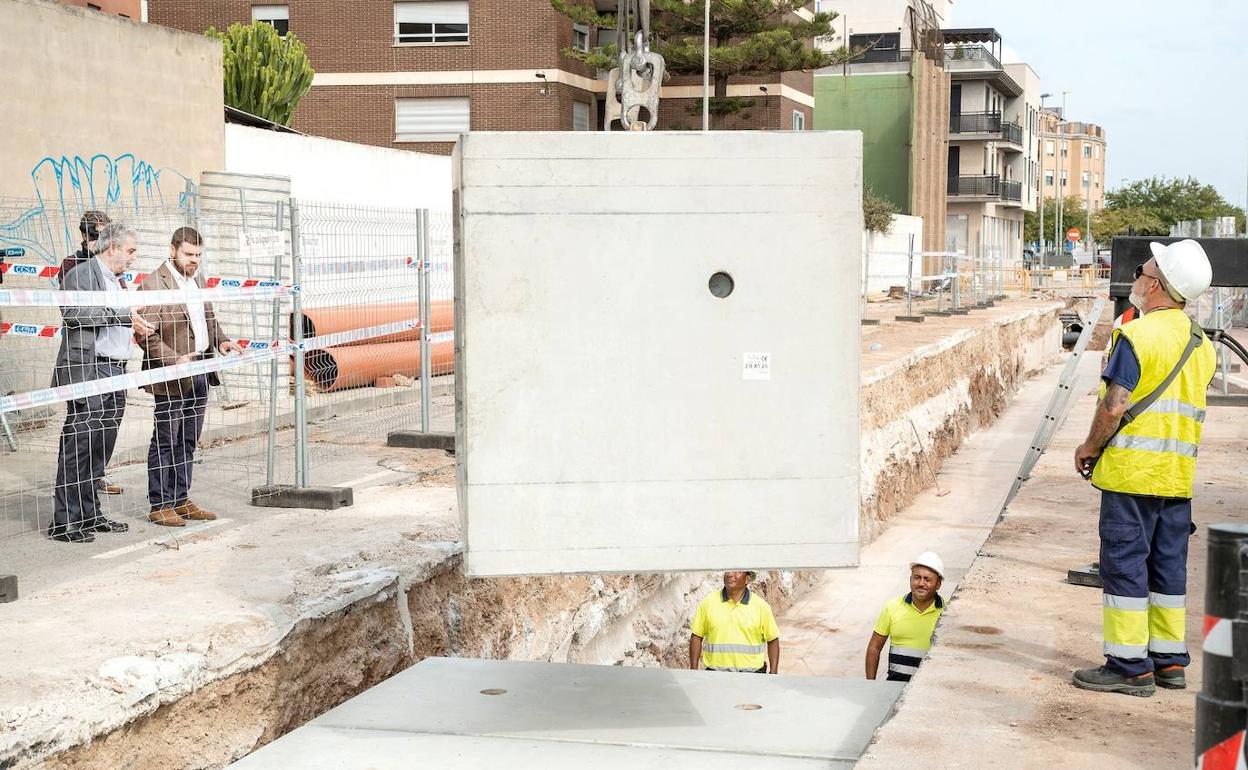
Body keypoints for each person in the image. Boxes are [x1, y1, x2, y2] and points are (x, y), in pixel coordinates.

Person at [1072, 239, 1216, 698]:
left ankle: (1129, 666)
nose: (1136, 277)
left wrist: (1088, 447)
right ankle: (1169, 661)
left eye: (1141, 270)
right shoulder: (1203, 346)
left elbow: (1115, 406)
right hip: (1176, 479)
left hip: (1132, 475)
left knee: (1125, 569)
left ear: (1155, 285)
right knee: (1167, 572)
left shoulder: (1135, 335)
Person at [49, 223, 156, 543]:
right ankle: (64, 521)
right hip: (90, 369)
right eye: (131, 251)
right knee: (79, 444)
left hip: (116, 370)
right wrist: (120, 316)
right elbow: (72, 313)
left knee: (100, 447)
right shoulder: (81, 275)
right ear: (112, 248)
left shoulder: (118, 281)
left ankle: (90, 513)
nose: (133, 258)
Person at [137, 227, 239, 527]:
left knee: (189, 439)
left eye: (198, 255)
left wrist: (221, 340)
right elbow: (146, 335)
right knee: (166, 440)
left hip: (200, 372)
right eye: (188, 254)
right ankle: (160, 503)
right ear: (172, 250)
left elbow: (208, 318)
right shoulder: (154, 284)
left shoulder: (197, 280)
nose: (194, 261)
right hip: (171, 375)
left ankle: (181, 499)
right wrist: (175, 359)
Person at [61, 210, 125, 497]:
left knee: (106, 428)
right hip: (86, 357)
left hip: (114, 359)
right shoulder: (74, 265)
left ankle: (95, 477)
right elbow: (73, 311)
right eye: (98, 234)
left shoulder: (115, 271)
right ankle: (74, 487)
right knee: (80, 430)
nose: (103, 240)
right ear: (86, 236)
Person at [865, 551, 945, 682]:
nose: (921, 583)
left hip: (929, 691)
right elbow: (874, 647)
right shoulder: (892, 607)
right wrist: (870, 684)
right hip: (893, 687)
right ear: (910, 579)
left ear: (938, 584)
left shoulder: (947, 613)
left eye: (927, 579)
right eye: (917, 577)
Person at [689, 571, 781, 673]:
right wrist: (693, 672)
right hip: (716, 676)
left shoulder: (761, 606)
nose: (730, 574)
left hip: (752, 677)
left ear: (747, 579)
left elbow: (772, 640)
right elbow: (696, 637)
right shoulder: (707, 603)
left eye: (737, 571)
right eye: (728, 570)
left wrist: (773, 673)